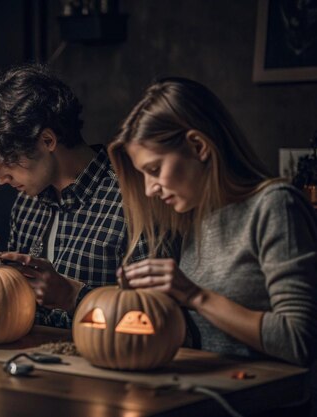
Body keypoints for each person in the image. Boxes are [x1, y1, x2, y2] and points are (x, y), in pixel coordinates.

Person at [108, 77, 317, 367]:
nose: (149, 190)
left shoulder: (275, 206)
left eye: (154, 169)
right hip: (209, 393)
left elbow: (300, 340)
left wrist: (193, 295)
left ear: (198, 146)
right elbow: (210, 338)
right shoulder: (198, 217)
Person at [0, 64, 148, 328]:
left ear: (47, 141)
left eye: (8, 161)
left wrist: (74, 297)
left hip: (103, 363)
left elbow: (159, 319)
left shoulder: (133, 200)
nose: (0, 179)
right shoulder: (27, 203)